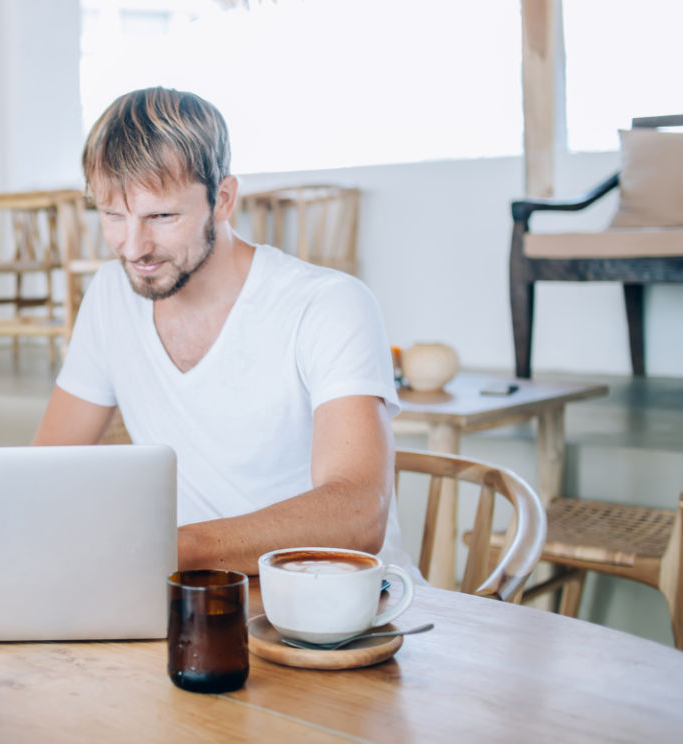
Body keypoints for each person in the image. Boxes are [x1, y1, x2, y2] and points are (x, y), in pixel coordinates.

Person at [34, 87, 412, 575]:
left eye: (162, 216)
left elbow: (357, 513)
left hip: (338, 612)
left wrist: (169, 549)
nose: (134, 248)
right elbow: (45, 471)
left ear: (223, 199)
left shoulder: (327, 305)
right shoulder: (111, 294)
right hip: (198, 603)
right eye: (113, 216)